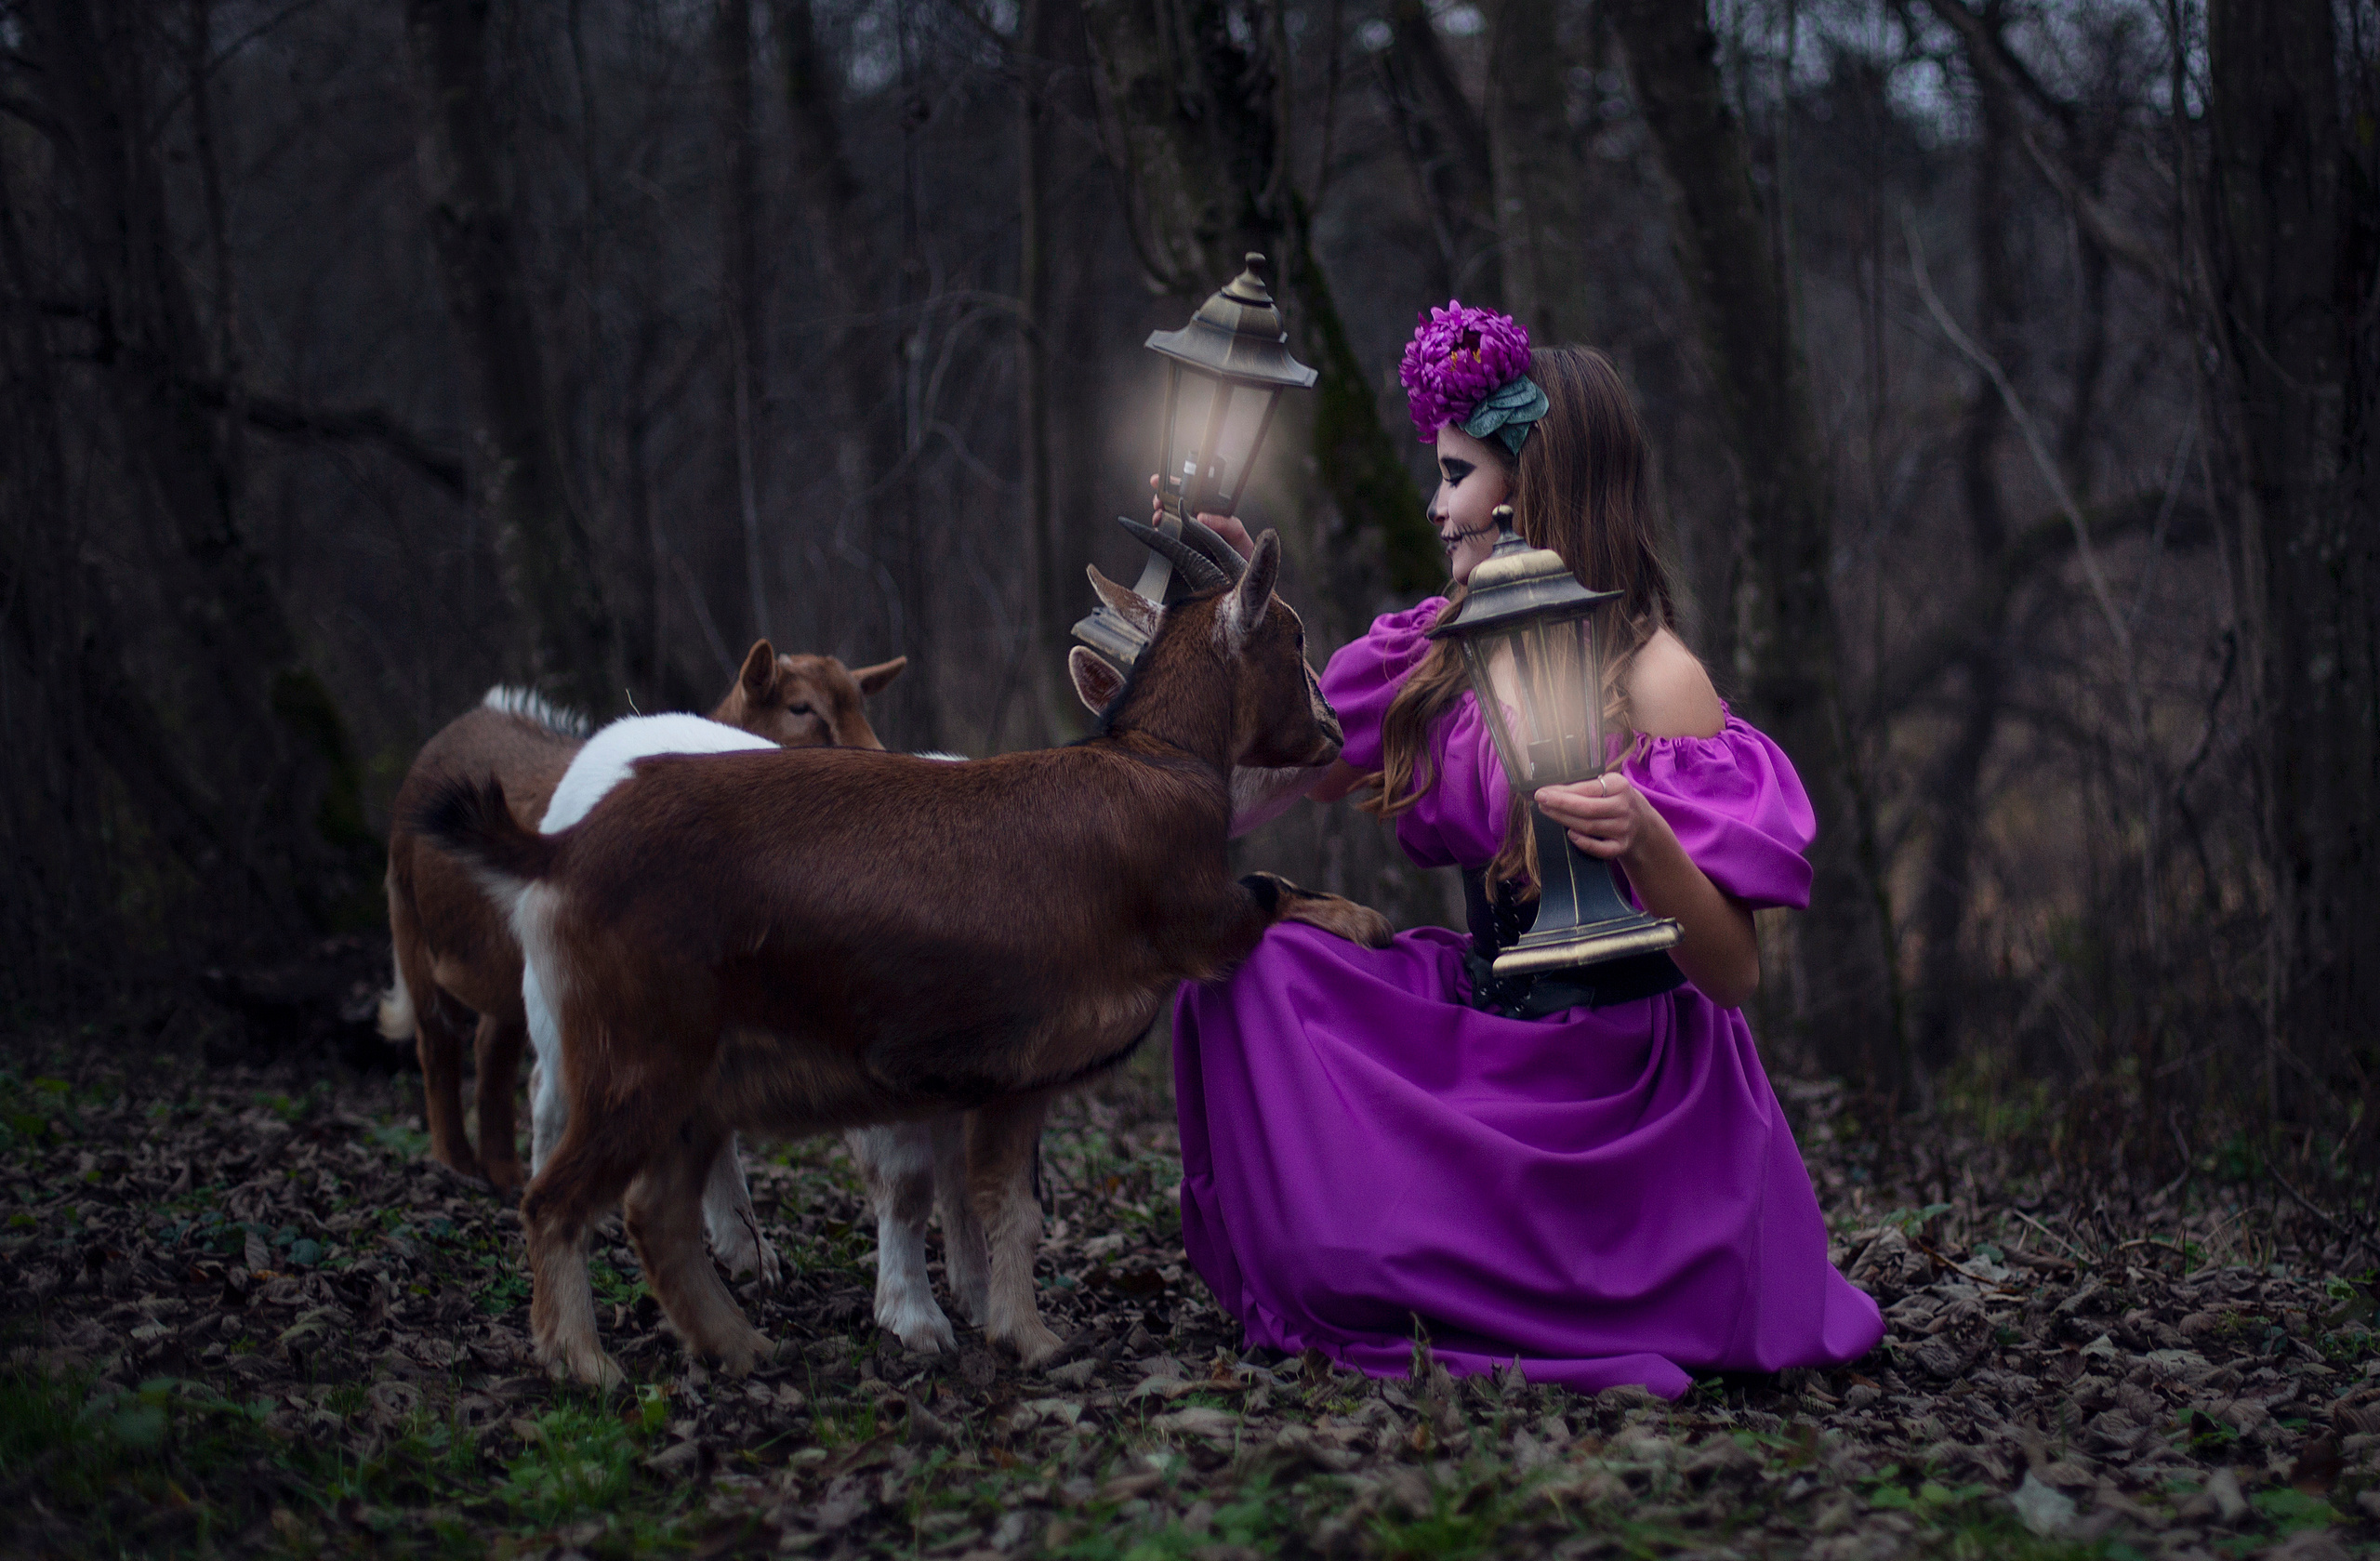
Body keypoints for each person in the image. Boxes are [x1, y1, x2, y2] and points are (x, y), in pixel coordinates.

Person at [1165, 301, 1884, 1396]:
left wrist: (1646, 838)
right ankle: (1372, 1259)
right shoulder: (1430, 653)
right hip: (1488, 1023)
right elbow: (1248, 794)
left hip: (1629, 1091)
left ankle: (1546, 1280)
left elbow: (1733, 973)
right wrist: (1229, 635)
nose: (1435, 503)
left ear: (1533, 482)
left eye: (1456, 473)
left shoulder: (1658, 679)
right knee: (1251, 962)